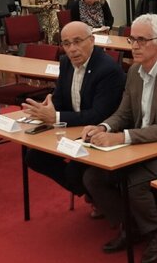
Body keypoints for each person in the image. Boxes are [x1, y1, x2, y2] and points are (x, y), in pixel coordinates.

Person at [81, 14, 157, 263]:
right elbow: (124, 113)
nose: (134, 46)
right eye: (132, 39)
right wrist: (103, 126)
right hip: (142, 148)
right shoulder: (135, 72)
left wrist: (120, 137)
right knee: (93, 177)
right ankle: (131, 225)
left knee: (134, 180)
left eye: (141, 40)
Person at [21, 21, 125, 203]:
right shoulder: (66, 63)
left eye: (77, 42)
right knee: (33, 157)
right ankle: (91, 194)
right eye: (66, 44)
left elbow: (99, 114)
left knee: (73, 172)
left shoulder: (107, 69)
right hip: (73, 130)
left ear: (92, 40)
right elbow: (60, 99)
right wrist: (47, 107)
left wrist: (55, 117)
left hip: (99, 133)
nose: (72, 49)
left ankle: (99, 198)